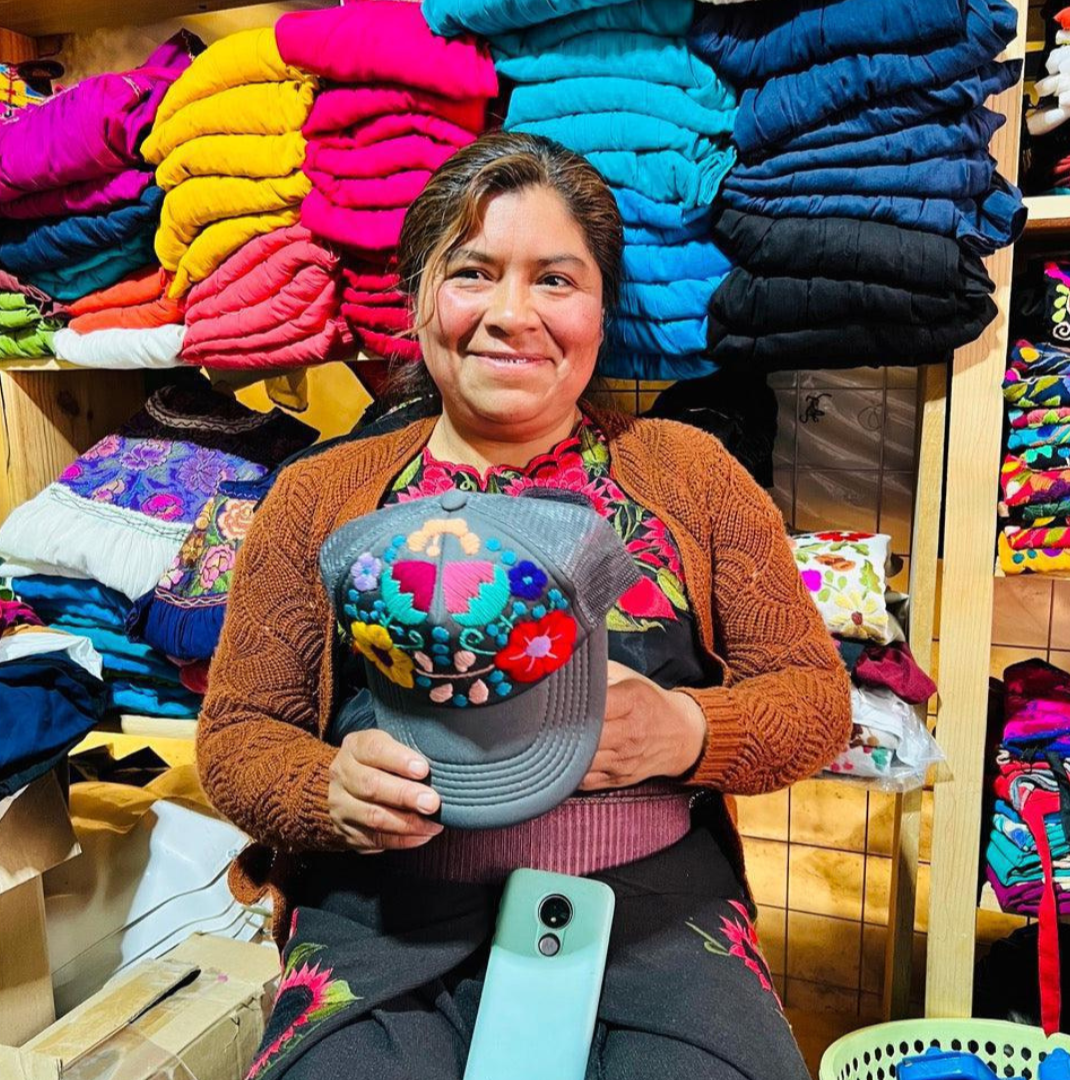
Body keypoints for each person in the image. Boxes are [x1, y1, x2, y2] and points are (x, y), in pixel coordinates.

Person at [197, 131, 851, 1080]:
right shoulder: (319, 496)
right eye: (472, 273)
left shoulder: (692, 478)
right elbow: (239, 734)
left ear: (600, 309)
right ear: (417, 302)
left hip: (654, 915)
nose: (512, 315)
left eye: (555, 279)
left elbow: (815, 699)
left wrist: (686, 729)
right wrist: (326, 790)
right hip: (383, 921)